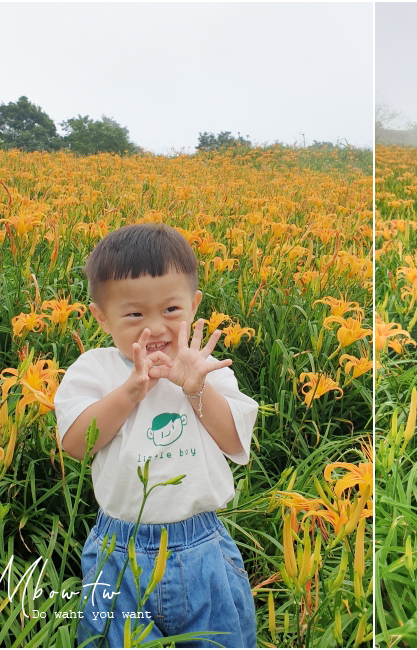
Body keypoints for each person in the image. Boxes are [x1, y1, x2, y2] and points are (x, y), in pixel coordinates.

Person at [54, 223, 258, 647]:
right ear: (101, 316)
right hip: (117, 551)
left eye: (170, 311)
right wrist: (131, 390)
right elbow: (75, 444)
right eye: (133, 315)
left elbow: (236, 442)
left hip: (202, 547)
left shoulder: (205, 367)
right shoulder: (96, 370)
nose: (156, 330)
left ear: (194, 304)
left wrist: (197, 388)